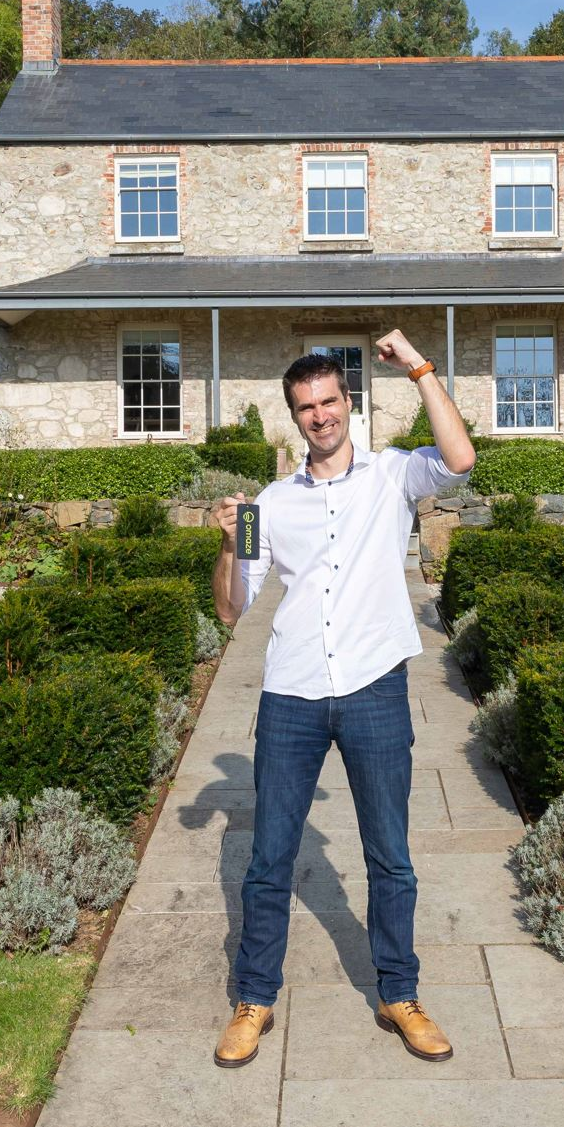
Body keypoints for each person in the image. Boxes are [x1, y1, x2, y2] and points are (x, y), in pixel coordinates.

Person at [208, 328, 475, 1069]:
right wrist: (230, 546)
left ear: (348, 404)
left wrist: (420, 367)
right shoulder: (268, 502)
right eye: (306, 406)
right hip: (292, 694)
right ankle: (253, 998)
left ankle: (400, 993)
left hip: (374, 688)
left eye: (329, 401)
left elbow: (461, 459)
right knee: (268, 861)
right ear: (293, 417)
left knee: (390, 856)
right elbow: (232, 610)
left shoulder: (393, 475)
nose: (319, 416)